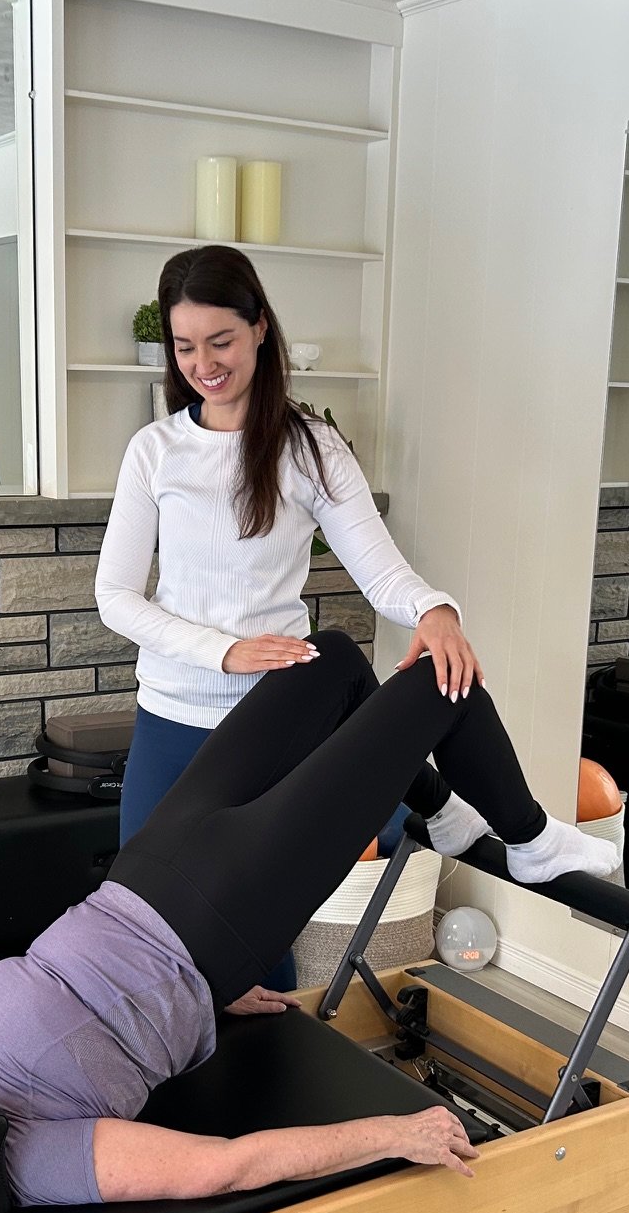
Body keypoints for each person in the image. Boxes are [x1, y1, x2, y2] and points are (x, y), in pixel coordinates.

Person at [0, 629, 620, 1213]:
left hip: (147, 875)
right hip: (218, 916)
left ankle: (448, 819)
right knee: (440, 685)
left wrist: (199, 1004)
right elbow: (228, 1167)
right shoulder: (21, 1151)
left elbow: (86, 1007)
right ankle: (534, 843)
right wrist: (394, 1133)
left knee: (333, 662)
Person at [95, 246, 479, 994]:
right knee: (145, 933)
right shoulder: (155, 451)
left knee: (255, 944)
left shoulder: (311, 447)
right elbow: (116, 595)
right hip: (171, 722)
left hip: (272, 728)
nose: (203, 363)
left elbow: (381, 568)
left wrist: (435, 608)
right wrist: (223, 651)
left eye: (221, 341)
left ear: (260, 328)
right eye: (185, 347)